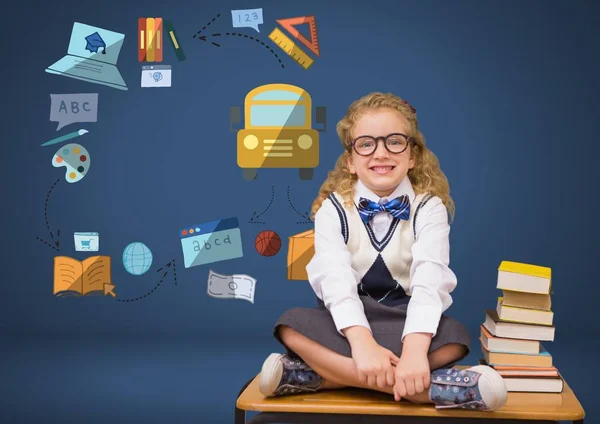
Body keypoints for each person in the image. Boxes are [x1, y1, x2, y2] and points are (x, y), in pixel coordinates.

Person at [258, 92, 508, 411]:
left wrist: (416, 352)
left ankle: (315, 375)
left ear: (412, 154)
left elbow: (430, 281)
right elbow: (334, 280)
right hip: (347, 324)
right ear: (350, 159)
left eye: (394, 141)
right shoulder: (331, 210)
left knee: (455, 336)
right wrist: (362, 344)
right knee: (291, 325)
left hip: (406, 321)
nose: (381, 153)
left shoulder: (429, 208)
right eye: (366, 143)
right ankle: (439, 390)